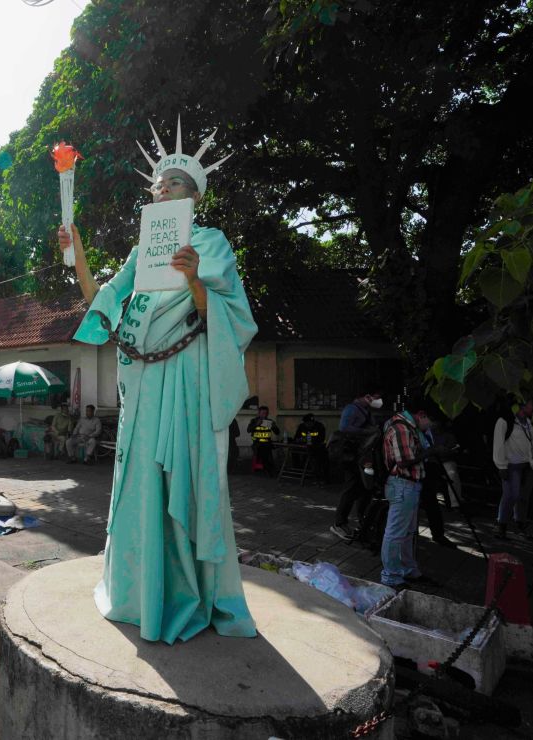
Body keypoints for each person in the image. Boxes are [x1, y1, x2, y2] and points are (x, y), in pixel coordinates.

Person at [59, 120, 257, 643]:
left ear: (194, 195)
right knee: (138, 483)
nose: (163, 187)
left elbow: (230, 319)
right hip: (142, 385)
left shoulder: (210, 242)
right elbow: (103, 298)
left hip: (184, 376)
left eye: (174, 182)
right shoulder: (141, 249)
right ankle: (135, 591)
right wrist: (76, 248)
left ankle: (184, 595)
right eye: (160, 182)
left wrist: (194, 279)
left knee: (182, 483)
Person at [379, 407, 434, 589]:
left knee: (407, 532)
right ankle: (391, 576)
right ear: (421, 415)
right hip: (402, 484)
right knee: (395, 533)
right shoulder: (402, 428)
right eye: (430, 421)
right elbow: (403, 461)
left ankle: (407, 569)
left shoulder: (410, 427)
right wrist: (429, 453)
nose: (430, 425)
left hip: (409, 485)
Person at [330, 390, 384, 541]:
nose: (378, 401)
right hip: (351, 457)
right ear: (367, 396)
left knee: (365, 490)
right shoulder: (351, 409)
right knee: (351, 488)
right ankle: (339, 524)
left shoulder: (366, 411)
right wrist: (366, 431)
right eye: (376, 397)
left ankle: (363, 521)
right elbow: (344, 428)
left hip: (364, 457)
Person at [492, 399, 533, 539]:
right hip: (512, 465)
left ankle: (520, 522)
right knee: (511, 495)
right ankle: (502, 524)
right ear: (521, 405)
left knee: (524, 497)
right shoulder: (505, 420)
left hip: (531, 465)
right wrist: (501, 465)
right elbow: (498, 444)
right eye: (531, 404)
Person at [419, 419, 457, 548]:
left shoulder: (430, 431)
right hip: (418, 468)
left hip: (430, 466)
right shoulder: (413, 429)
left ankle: (438, 534)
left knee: (431, 502)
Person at [246, 406, 280, 476]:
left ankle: (268, 469)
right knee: (264, 451)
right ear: (259, 413)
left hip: (267, 443)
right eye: (263, 413)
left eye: (266, 413)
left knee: (266, 450)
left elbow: (277, 432)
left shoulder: (270, 422)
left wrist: (274, 426)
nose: (265, 414)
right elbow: (248, 430)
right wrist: (256, 424)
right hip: (257, 444)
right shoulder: (254, 421)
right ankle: (269, 470)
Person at [296, 413, 329, 482]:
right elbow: (296, 437)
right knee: (294, 452)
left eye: (310, 423)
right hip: (303, 447)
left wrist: (311, 440)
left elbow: (321, 439)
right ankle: (298, 472)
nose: (309, 425)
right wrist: (300, 439)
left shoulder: (319, 426)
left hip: (317, 448)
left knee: (319, 457)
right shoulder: (301, 426)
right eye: (307, 423)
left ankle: (320, 477)